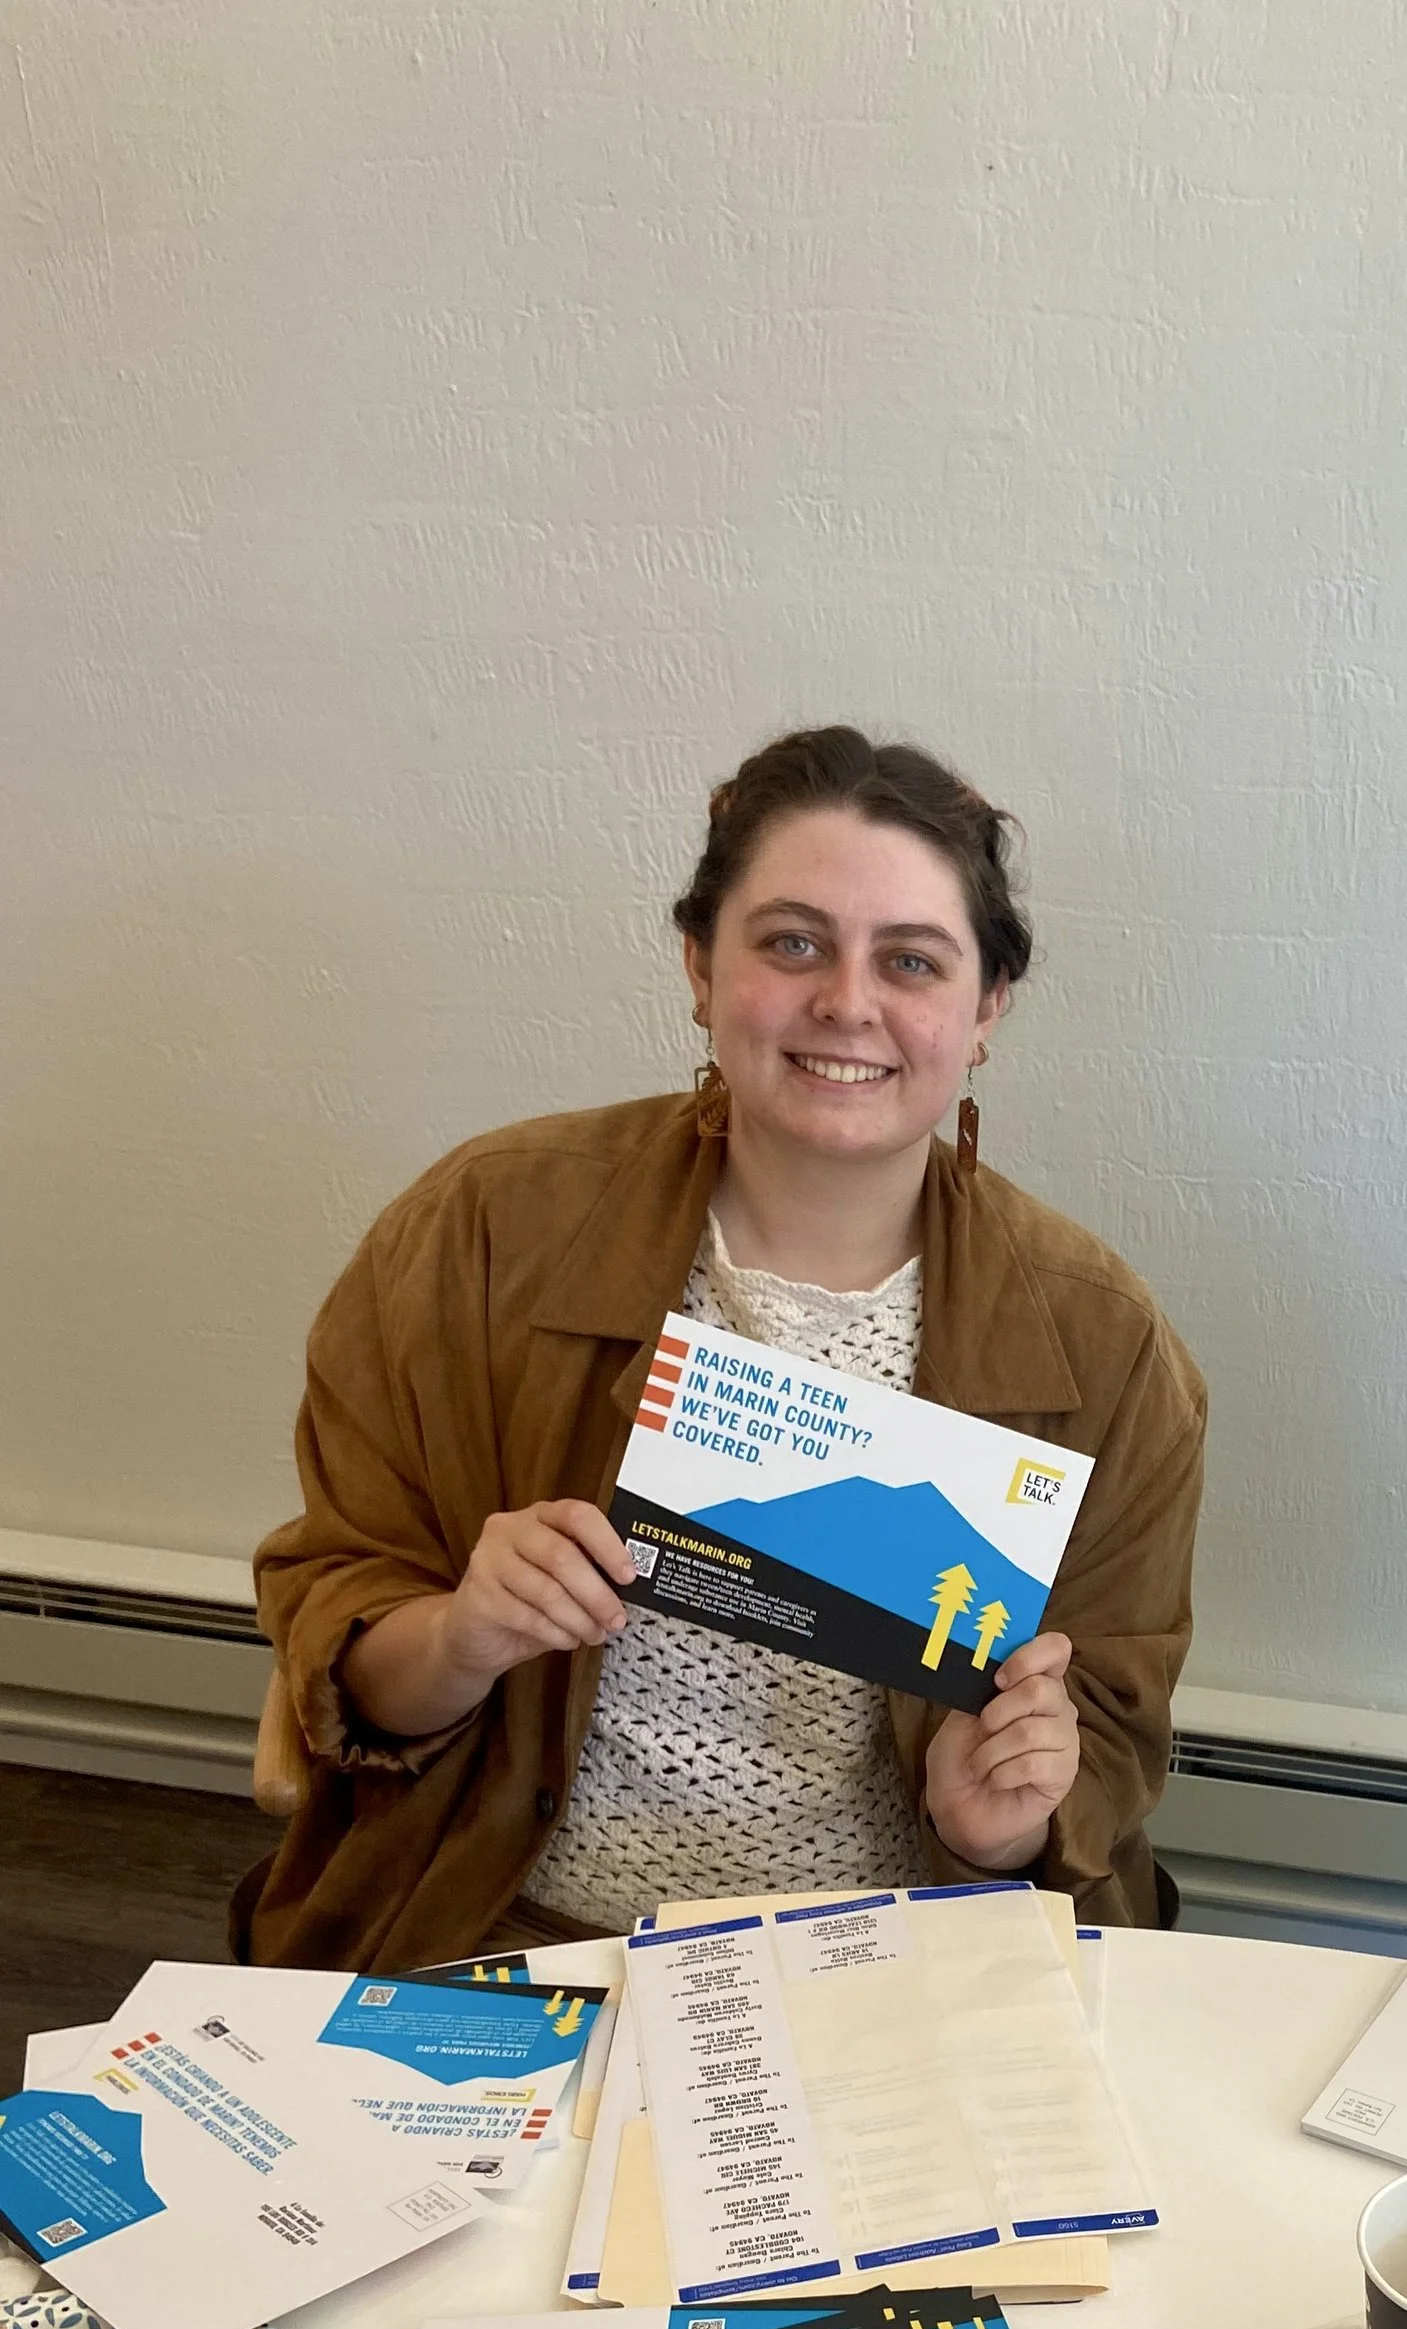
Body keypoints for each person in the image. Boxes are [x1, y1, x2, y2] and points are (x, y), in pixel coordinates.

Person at [240, 726, 1206, 1967]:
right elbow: (341, 1629)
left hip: (895, 1962)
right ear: (700, 966)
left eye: (910, 961)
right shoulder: (483, 1231)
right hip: (504, 1936)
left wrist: (1000, 1829)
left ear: (985, 1012)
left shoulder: (1103, 1345)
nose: (847, 1002)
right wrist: (462, 1636)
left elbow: (1114, 1731)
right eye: (791, 941)